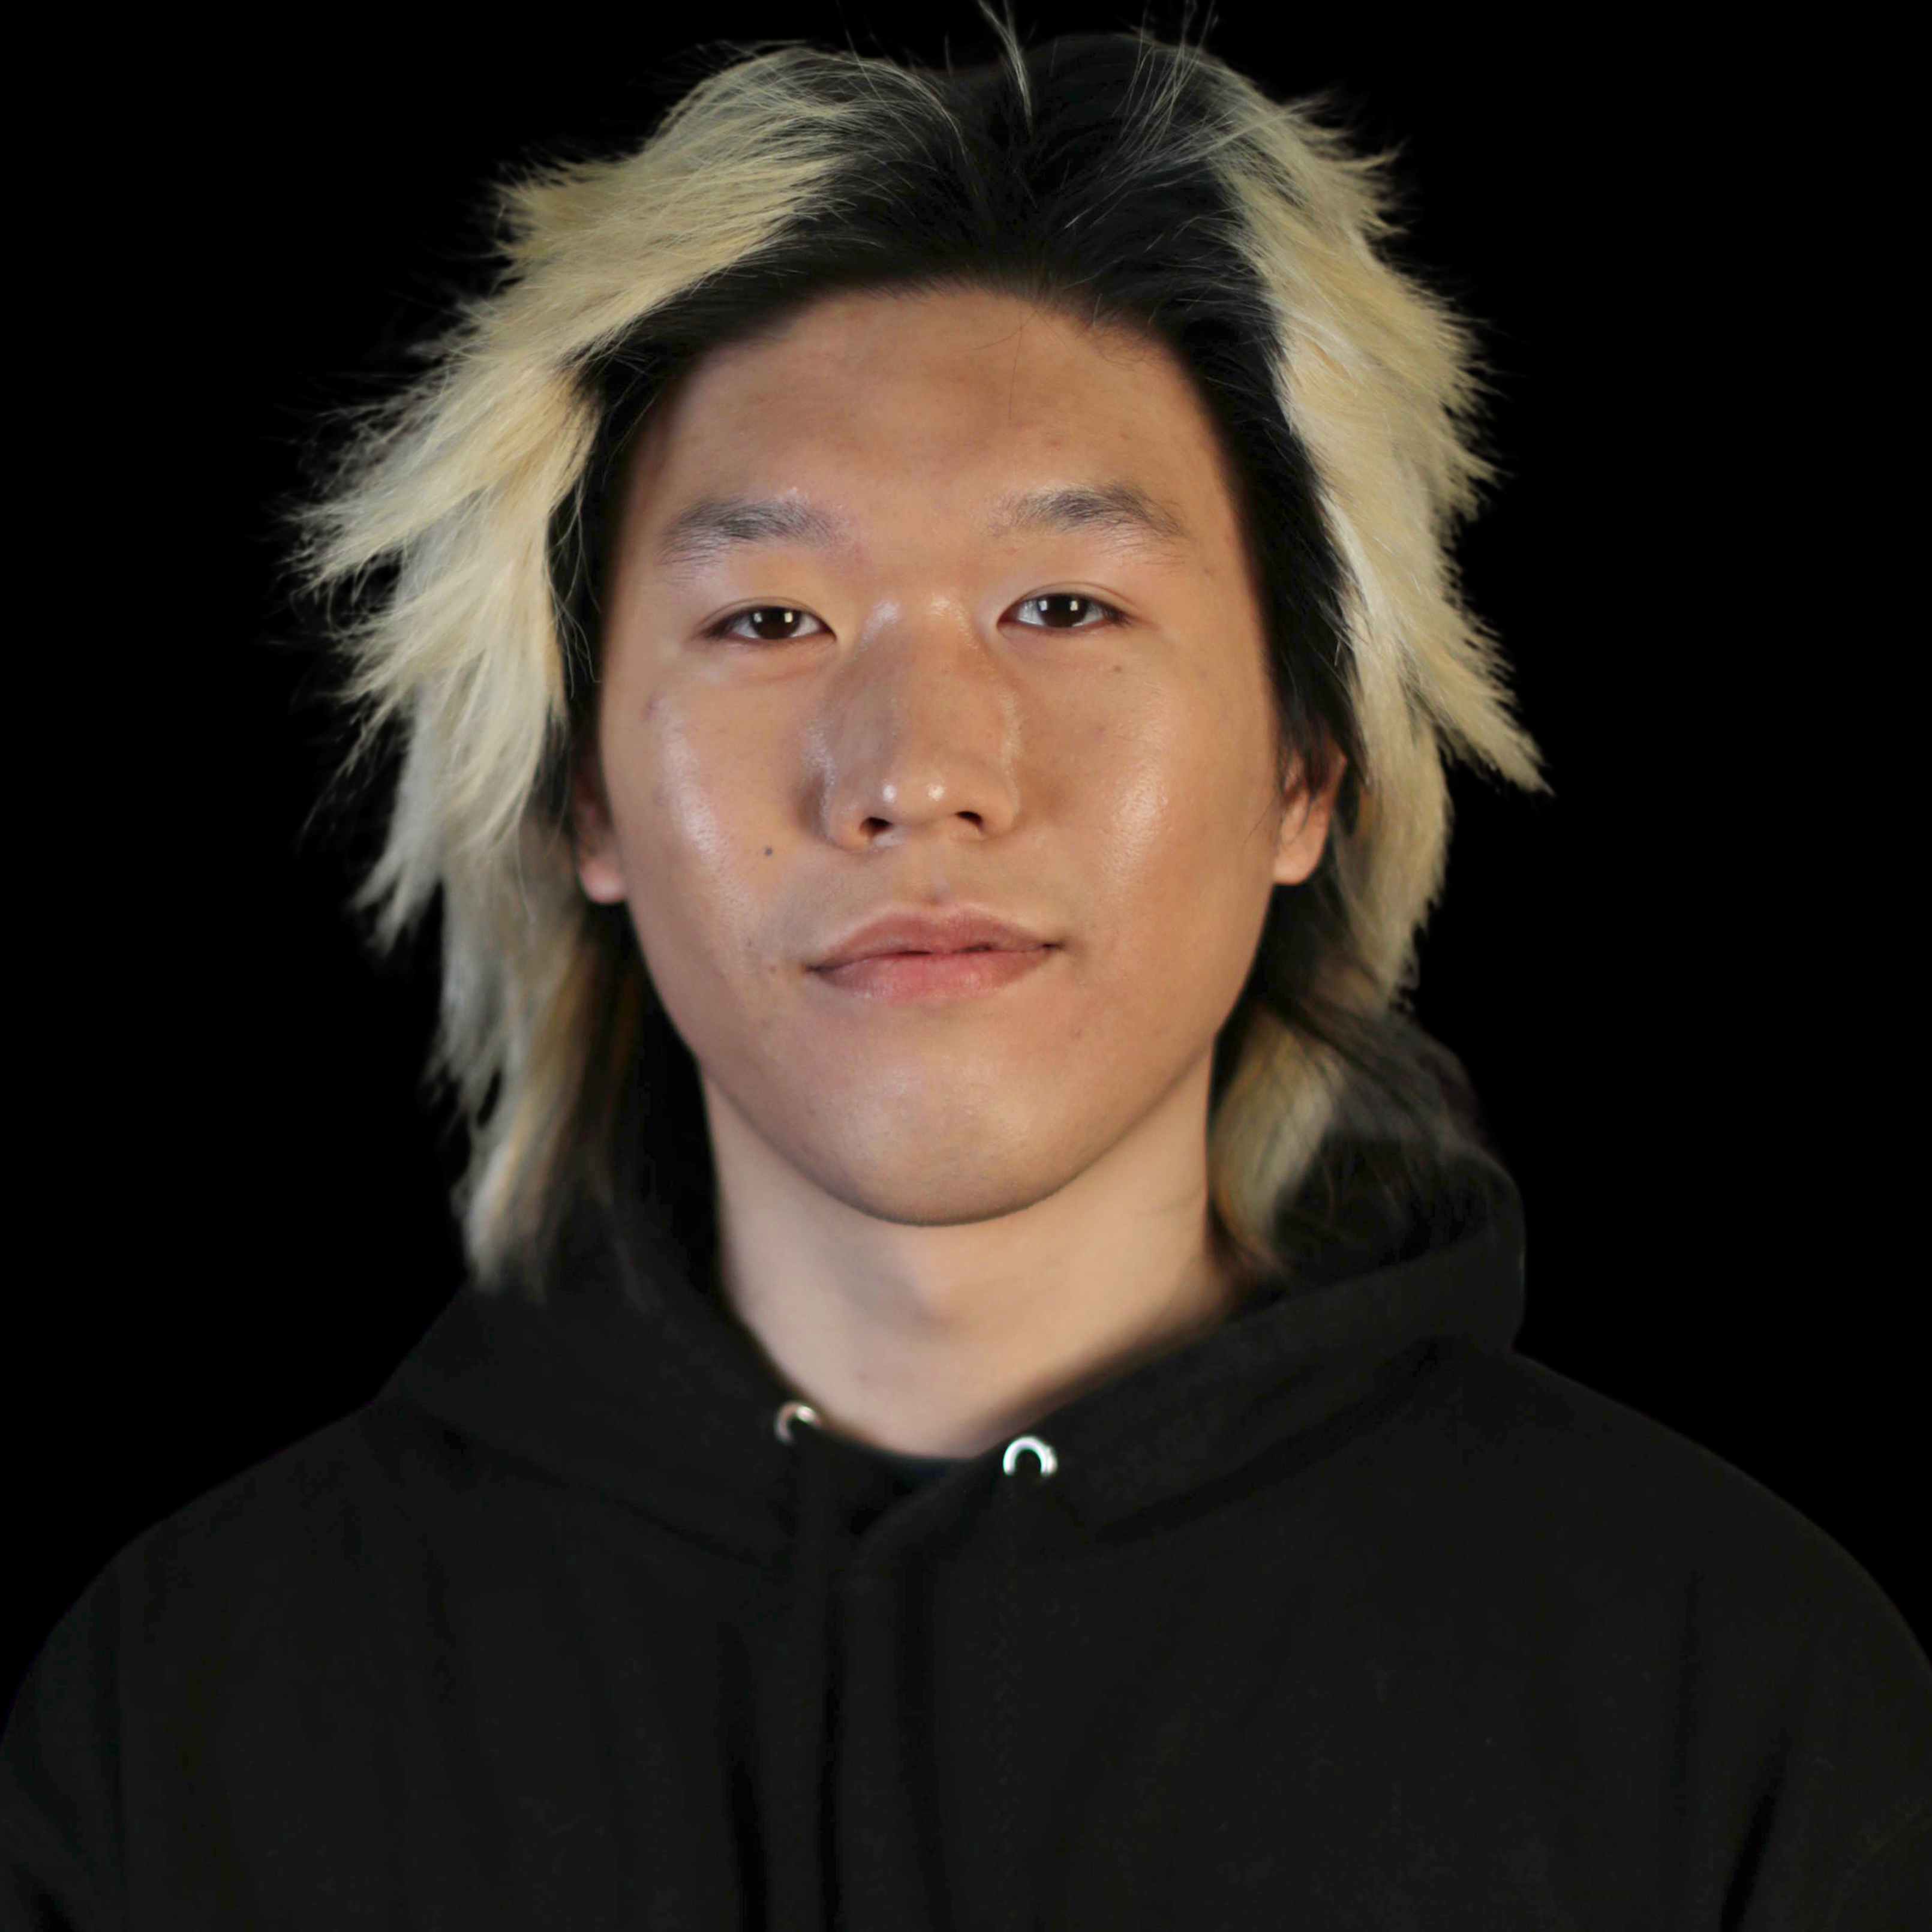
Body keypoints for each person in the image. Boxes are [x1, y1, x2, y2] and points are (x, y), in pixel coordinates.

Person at [5, 7, 1927, 1927]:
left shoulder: (1738, 1706)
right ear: (585, 792)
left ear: (1303, 768)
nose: (918, 770)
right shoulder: (181, 1720)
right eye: (769, 617)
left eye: (1063, 603)